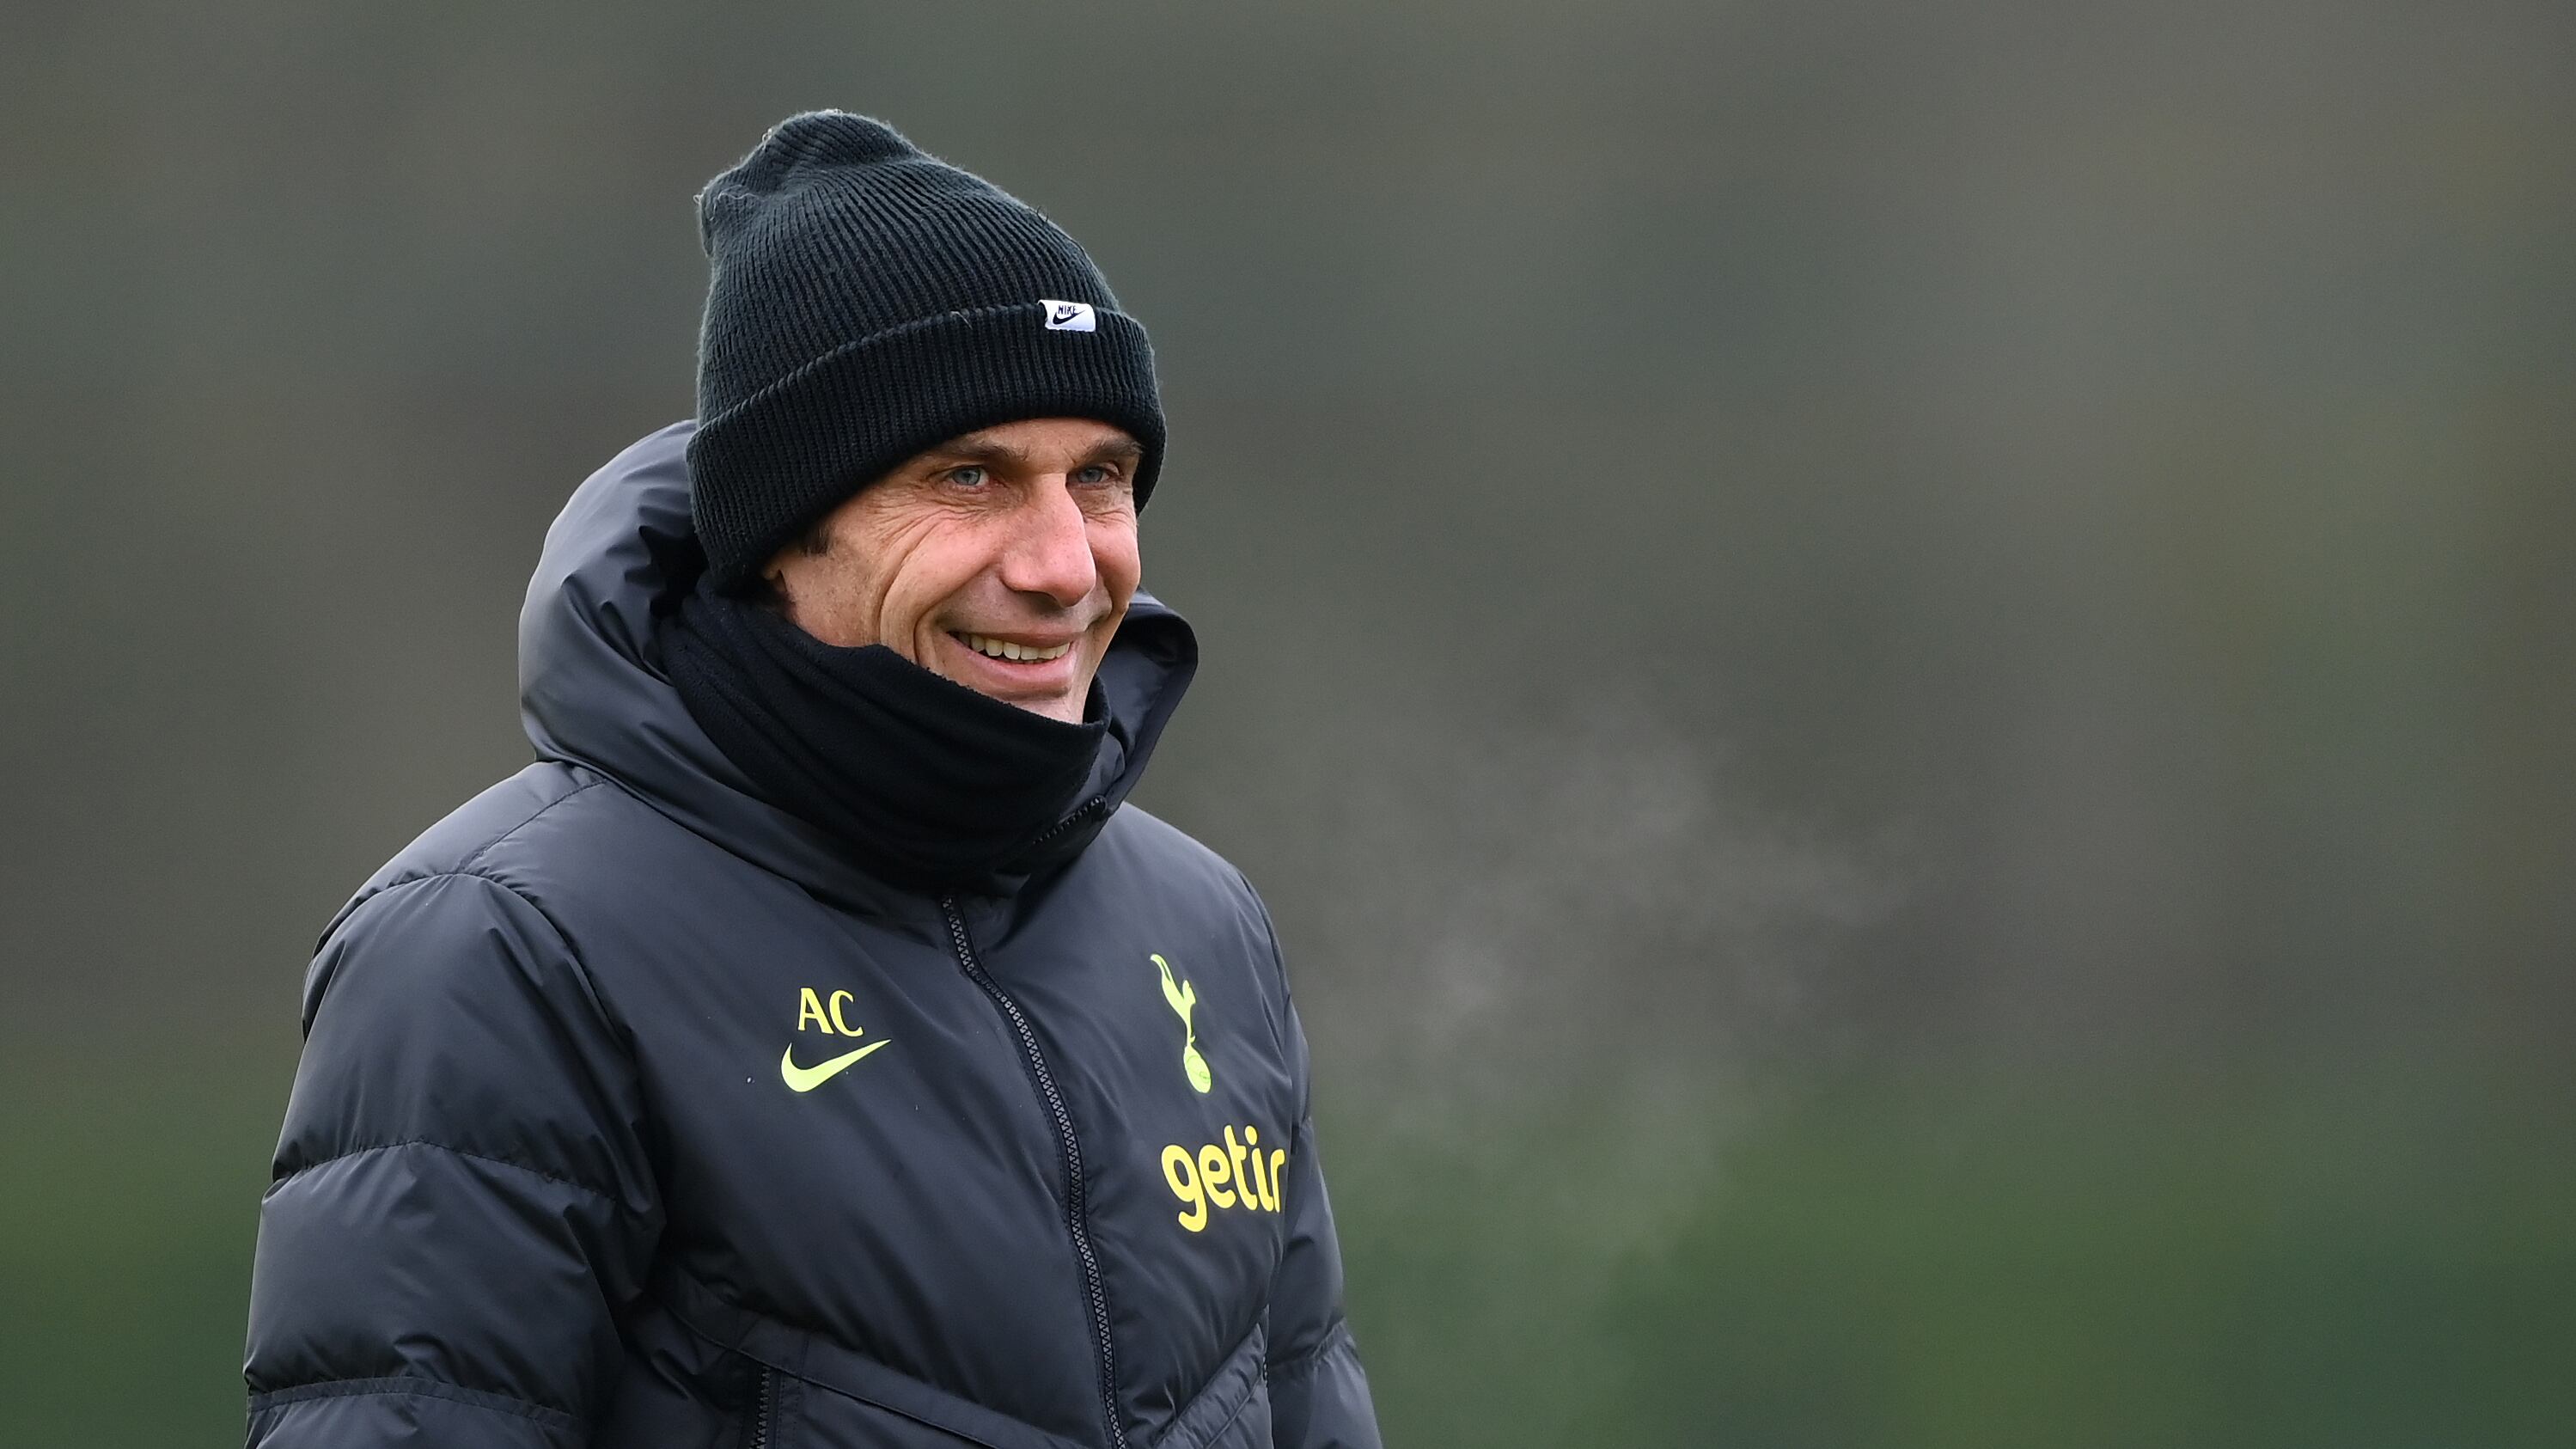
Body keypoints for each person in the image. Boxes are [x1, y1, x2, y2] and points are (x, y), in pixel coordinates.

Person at [243, 112, 1381, 1449]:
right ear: (786, 531)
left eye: (1104, 478)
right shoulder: (496, 949)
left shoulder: (1205, 927)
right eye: (970, 476)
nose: (1067, 563)